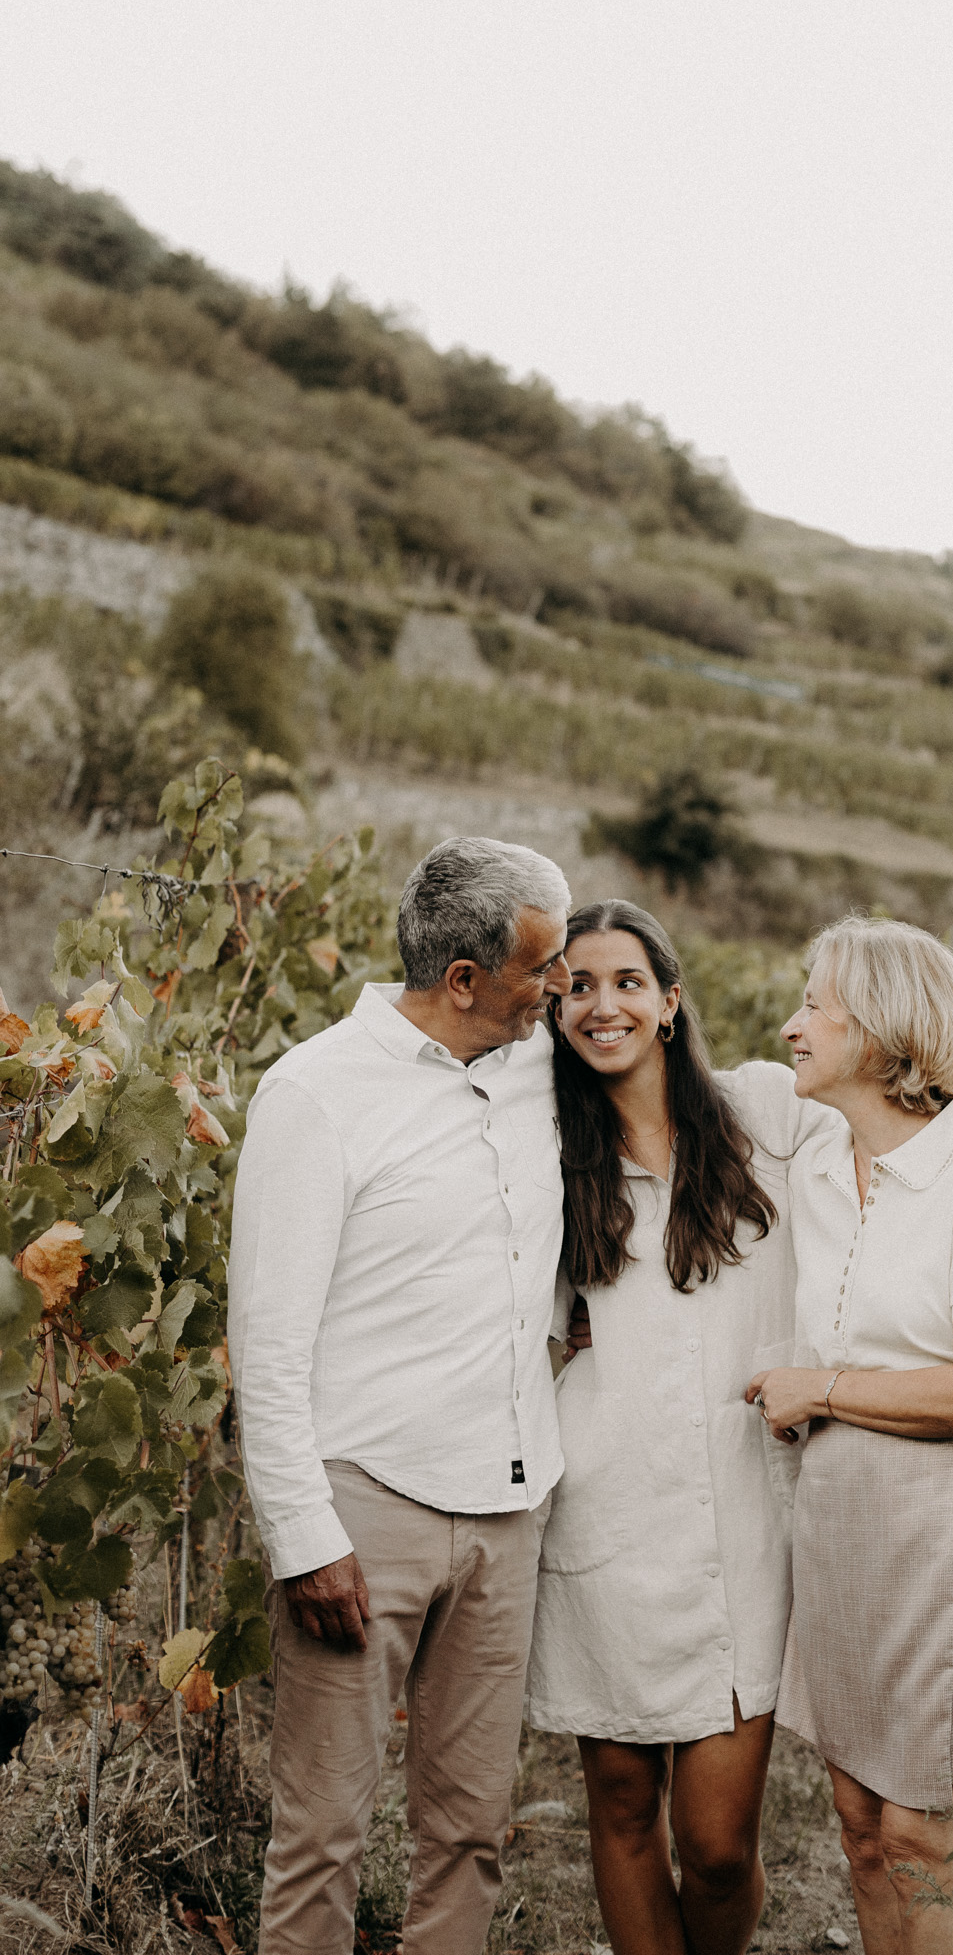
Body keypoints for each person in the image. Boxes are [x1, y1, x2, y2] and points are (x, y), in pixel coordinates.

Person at [526, 900, 953, 1955]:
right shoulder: (540, 1152)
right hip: (605, 1513)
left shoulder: (766, 1113)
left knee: (717, 1845)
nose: (602, 1003)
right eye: (576, 984)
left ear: (670, 999)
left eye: (626, 979)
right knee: (623, 1810)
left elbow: (906, 1134)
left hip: (745, 1526)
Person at [228, 836, 573, 1955]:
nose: (560, 989)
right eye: (542, 967)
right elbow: (267, 1339)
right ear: (463, 977)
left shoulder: (540, 1068)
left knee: (470, 1829)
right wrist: (301, 1533)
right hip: (363, 1509)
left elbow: (704, 1095)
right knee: (323, 1829)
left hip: (511, 1508)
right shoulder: (317, 1093)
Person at [747, 917, 953, 1955]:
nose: (790, 1023)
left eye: (815, 1004)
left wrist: (823, 1386)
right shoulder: (813, 1148)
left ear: (883, 1029)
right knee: (857, 1828)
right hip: (846, 1528)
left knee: (918, 1836)